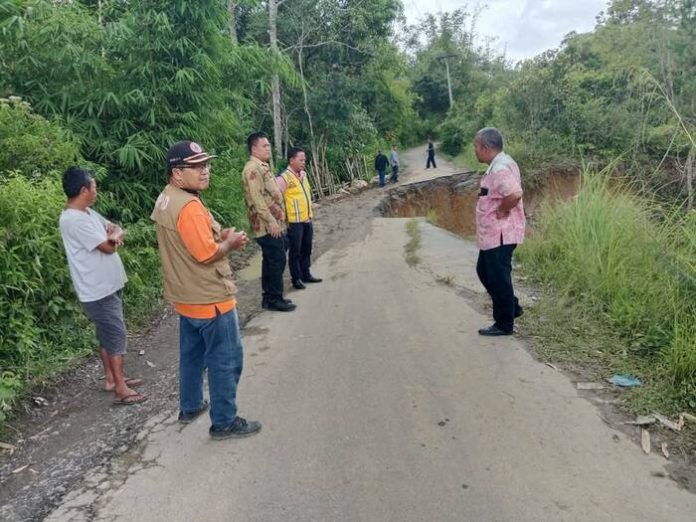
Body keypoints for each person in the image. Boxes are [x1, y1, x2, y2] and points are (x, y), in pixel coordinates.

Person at [151, 140, 261, 440]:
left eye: (206, 164)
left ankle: (191, 406)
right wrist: (229, 244)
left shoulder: (167, 198)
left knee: (192, 355)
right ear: (177, 173)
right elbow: (205, 253)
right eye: (196, 167)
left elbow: (188, 241)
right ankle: (224, 421)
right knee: (225, 359)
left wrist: (219, 236)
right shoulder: (189, 207)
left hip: (185, 297)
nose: (205, 171)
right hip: (209, 298)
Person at [59, 167, 146, 406]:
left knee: (106, 335)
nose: (97, 191)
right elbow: (108, 246)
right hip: (97, 289)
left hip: (107, 284)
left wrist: (116, 234)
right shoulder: (73, 220)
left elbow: (114, 228)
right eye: (94, 187)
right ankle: (121, 388)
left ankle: (111, 378)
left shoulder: (87, 213)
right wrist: (115, 238)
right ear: (84, 190)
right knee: (116, 336)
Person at [473, 127, 525, 336]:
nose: (475, 151)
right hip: (494, 235)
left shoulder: (499, 169)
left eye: (476, 147)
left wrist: (502, 210)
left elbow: (514, 194)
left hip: (500, 234)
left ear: (485, 148)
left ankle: (504, 323)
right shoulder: (501, 163)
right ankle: (511, 307)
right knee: (485, 271)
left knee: (497, 277)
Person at [242, 132, 296, 312]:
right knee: (277, 259)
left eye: (268, 145)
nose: (268, 149)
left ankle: (270, 297)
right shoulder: (252, 169)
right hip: (266, 225)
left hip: (273, 222)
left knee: (272, 259)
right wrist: (271, 222)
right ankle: (274, 298)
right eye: (264, 146)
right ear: (254, 148)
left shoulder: (262, 166)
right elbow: (257, 200)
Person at [276, 147, 323, 290]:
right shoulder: (283, 177)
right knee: (295, 251)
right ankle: (296, 278)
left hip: (306, 218)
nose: (303, 162)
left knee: (306, 248)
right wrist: (281, 218)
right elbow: (276, 198)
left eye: (304, 160)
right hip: (294, 221)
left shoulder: (304, 174)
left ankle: (306, 273)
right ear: (291, 160)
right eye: (301, 160)